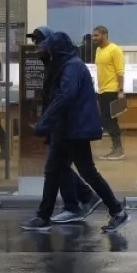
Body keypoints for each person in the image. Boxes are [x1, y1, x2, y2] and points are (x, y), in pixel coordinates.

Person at [20, 30, 129, 234]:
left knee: (86, 171)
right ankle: (43, 216)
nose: (43, 53)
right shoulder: (68, 65)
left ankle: (117, 211)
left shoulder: (71, 67)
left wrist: (45, 122)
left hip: (73, 129)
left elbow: (65, 97)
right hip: (67, 128)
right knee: (54, 170)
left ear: (56, 49)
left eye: (47, 49)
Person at [30, 27, 100, 224]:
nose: (37, 46)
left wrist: (46, 122)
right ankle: (83, 200)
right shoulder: (56, 63)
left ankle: (83, 204)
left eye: (40, 42)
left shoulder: (67, 65)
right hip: (63, 125)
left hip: (68, 126)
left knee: (64, 168)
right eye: (35, 42)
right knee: (60, 167)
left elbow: (64, 97)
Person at [92, 25, 126, 160]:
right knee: (105, 120)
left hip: (112, 90)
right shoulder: (99, 50)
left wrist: (121, 91)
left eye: (96, 35)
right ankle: (115, 147)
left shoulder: (115, 50)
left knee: (111, 121)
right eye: (93, 35)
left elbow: (120, 72)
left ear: (105, 35)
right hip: (102, 90)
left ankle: (118, 150)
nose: (94, 38)